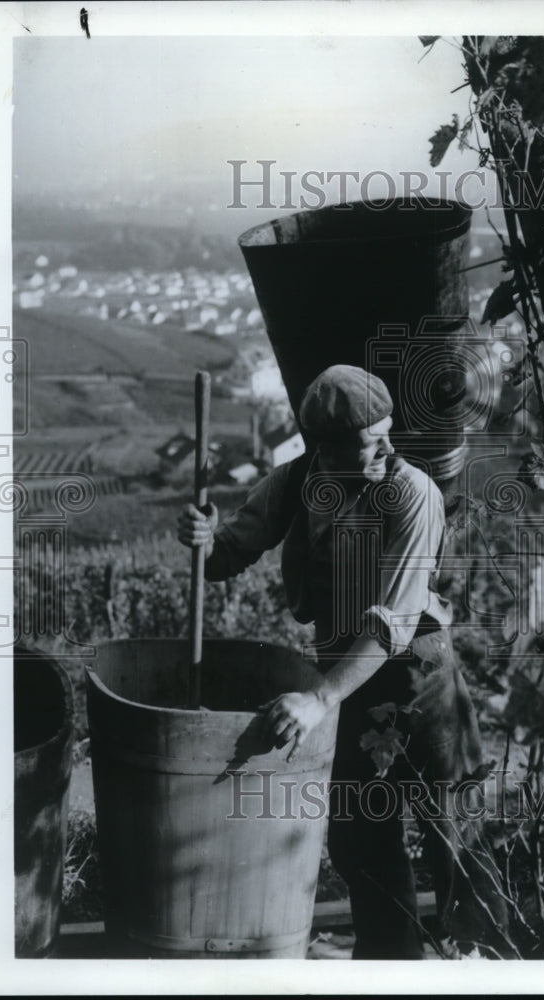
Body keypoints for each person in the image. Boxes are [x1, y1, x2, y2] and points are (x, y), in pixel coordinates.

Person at [178, 364, 512, 960]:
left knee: (454, 826)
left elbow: (394, 623)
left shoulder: (412, 492)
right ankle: (391, 963)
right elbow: (230, 551)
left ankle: (485, 959)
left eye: (388, 431)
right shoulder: (296, 483)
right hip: (346, 677)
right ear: (323, 448)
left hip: (419, 674)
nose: (388, 447)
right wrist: (207, 540)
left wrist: (318, 699)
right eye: (370, 439)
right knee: (362, 837)